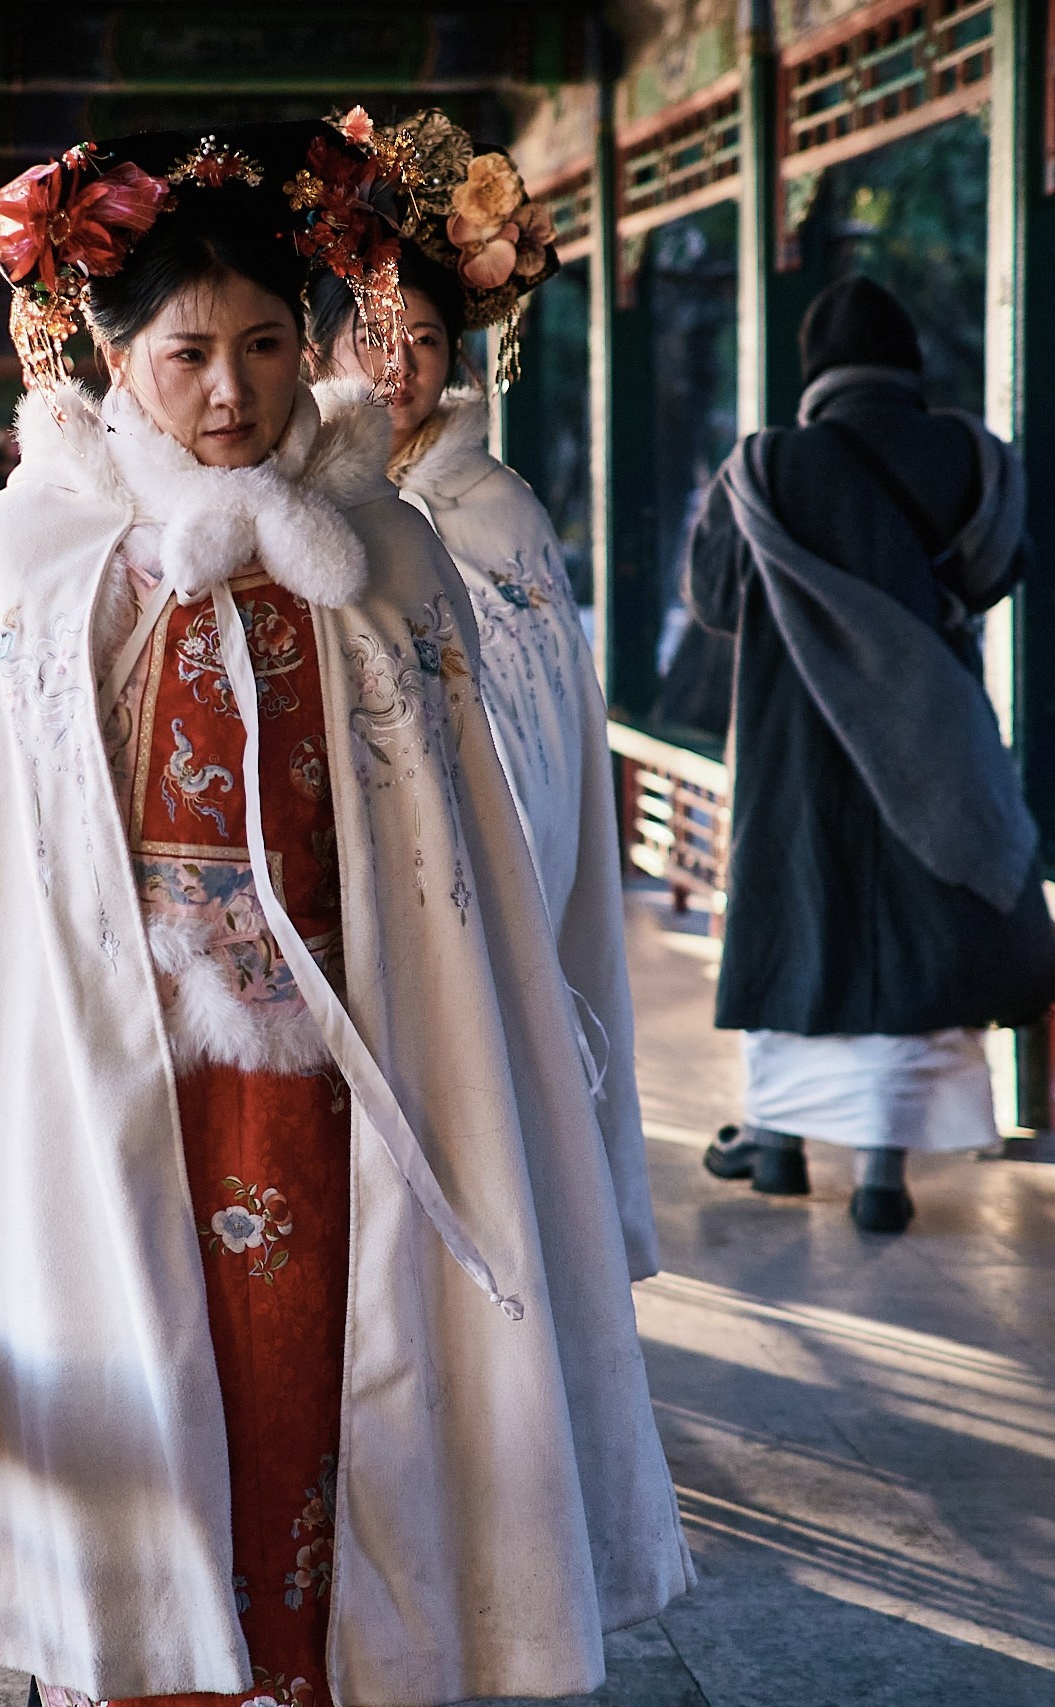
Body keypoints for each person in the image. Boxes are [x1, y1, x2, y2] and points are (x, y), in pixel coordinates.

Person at [0, 116, 689, 1707]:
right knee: (136, 1354)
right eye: (188, 350)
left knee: (330, 1386)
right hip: (119, 1061)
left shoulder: (385, 551)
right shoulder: (26, 562)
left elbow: (458, 847)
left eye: (267, 343)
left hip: (360, 1071)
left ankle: (327, 1665)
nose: (231, 388)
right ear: (113, 355)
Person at [306, 136, 650, 1264]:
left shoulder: (493, 512)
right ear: (321, 345)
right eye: (370, 335)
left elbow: (539, 744)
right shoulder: (290, 503)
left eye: (420, 341)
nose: (395, 366)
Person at [683, 275, 1055, 1233]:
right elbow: (997, 573)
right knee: (910, 947)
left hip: (791, 743)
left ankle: (776, 1148)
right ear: (909, 366)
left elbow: (716, 601)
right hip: (925, 739)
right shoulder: (974, 459)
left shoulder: (764, 468)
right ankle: (882, 1177)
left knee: (794, 929)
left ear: (813, 370)